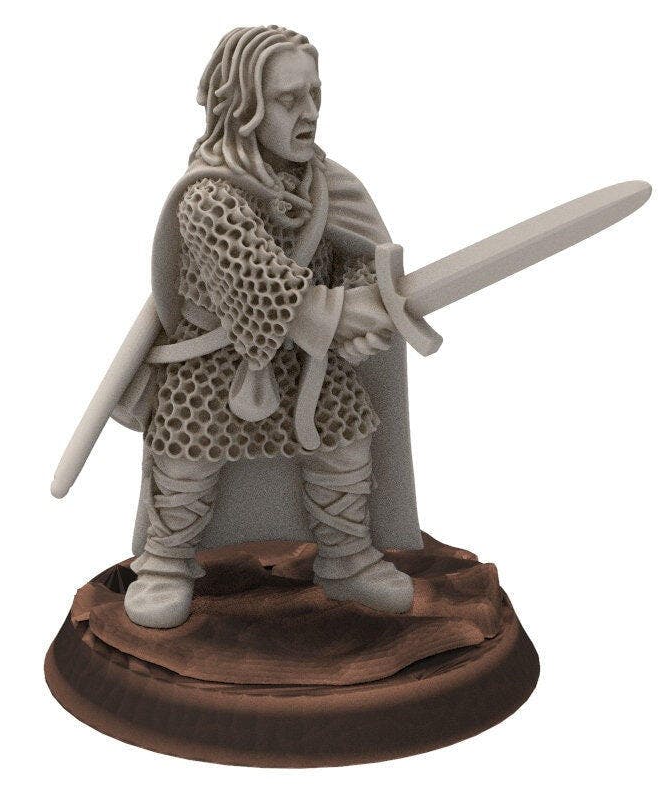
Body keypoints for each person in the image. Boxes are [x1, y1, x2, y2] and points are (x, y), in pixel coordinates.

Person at [123, 26, 418, 628]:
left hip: (309, 361)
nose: (309, 112)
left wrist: (367, 311)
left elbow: (363, 256)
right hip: (215, 356)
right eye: (288, 99)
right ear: (244, 107)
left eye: (315, 94)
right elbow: (258, 283)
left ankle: (347, 558)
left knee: (344, 438)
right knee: (186, 452)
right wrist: (339, 316)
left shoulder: (326, 184)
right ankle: (166, 562)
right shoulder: (209, 197)